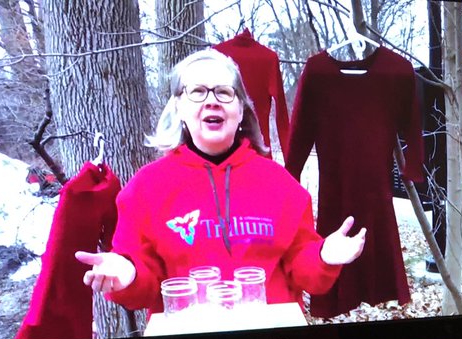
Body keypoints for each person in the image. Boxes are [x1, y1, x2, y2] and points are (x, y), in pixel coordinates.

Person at [75, 49, 365, 316]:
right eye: (198, 91)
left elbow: (304, 271)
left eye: (224, 92)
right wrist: (128, 275)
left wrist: (324, 256)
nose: (211, 100)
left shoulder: (281, 185)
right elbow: (144, 286)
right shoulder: (145, 188)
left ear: (240, 111)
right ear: (178, 108)